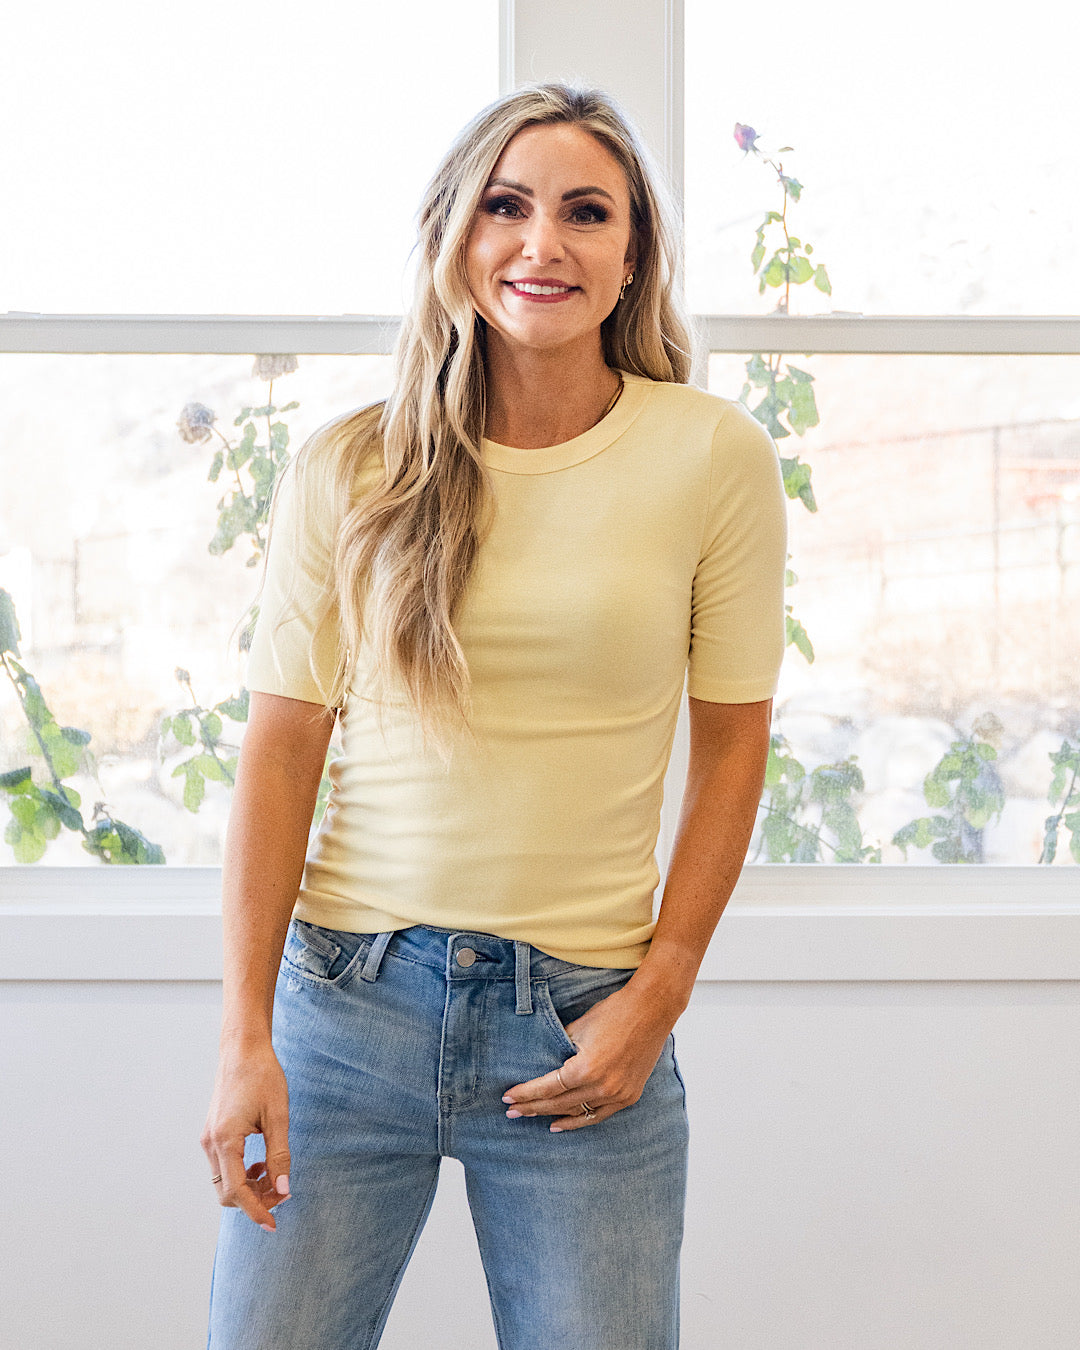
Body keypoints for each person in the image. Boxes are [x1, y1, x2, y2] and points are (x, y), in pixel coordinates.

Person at [201, 82, 786, 1350]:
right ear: (456, 234)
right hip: (347, 1009)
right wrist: (245, 1034)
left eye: (587, 213)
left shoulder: (710, 455)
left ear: (631, 254)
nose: (542, 244)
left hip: (582, 1027)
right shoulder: (350, 464)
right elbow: (283, 748)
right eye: (506, 207)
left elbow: (736, 742)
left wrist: (660, 993)